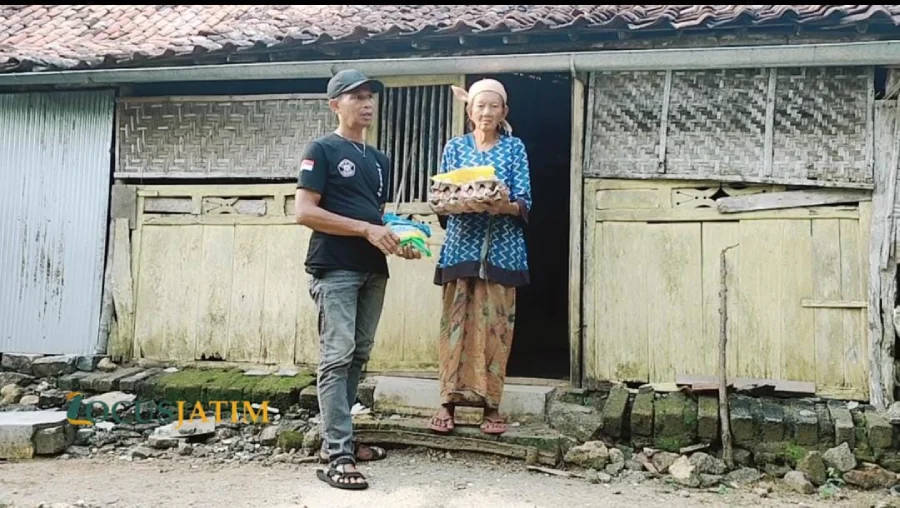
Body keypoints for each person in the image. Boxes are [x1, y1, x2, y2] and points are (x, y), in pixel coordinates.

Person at [295, 68, 421, 490]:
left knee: (359, 355)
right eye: (356, 96)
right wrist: (367, 230)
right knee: (337, 355)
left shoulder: (379, 159)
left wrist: (399, 238)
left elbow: (374, 215)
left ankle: (341, 441)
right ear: (335, 105)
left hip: (372, 268)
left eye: (370, 96)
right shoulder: (322, 149)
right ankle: (337, 455)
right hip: (335, 267)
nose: (367, 103)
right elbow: (305, 212)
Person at [429, 78, 532, 436]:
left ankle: (491, 407)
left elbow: (524, 202)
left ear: (504, 112)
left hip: (503, 250)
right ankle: (447, 403)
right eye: (479, 106)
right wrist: (463, 200)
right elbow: (442, 196)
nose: (486, 112)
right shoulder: (454, 148)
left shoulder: (514, 148)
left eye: (493, 106)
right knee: (454, 325)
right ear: (469, 111)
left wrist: (500, 205)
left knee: (495, 328)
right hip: (461, 248)